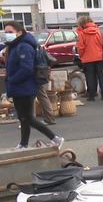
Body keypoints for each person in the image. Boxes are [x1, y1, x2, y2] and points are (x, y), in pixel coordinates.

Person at [3, 21, 64, 149]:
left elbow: (26, 69)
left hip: (25, 87)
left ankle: (55, 138)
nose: (7, 35)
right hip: (20, 87)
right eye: (6, 32)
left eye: (10, 32)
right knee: (24, 118)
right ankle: (23, 144)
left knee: (28, 118)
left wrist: (12, 79)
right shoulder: (15, 44)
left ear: (19, 32)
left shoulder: (23, 46)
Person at [76, 16, 103, 101]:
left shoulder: (82, 33)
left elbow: (81, 47)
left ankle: (92, 96)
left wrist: (81, 56)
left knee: (90, 77)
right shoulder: (99, 31)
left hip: (87, 58)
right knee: (100, 75)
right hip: (99, 57)